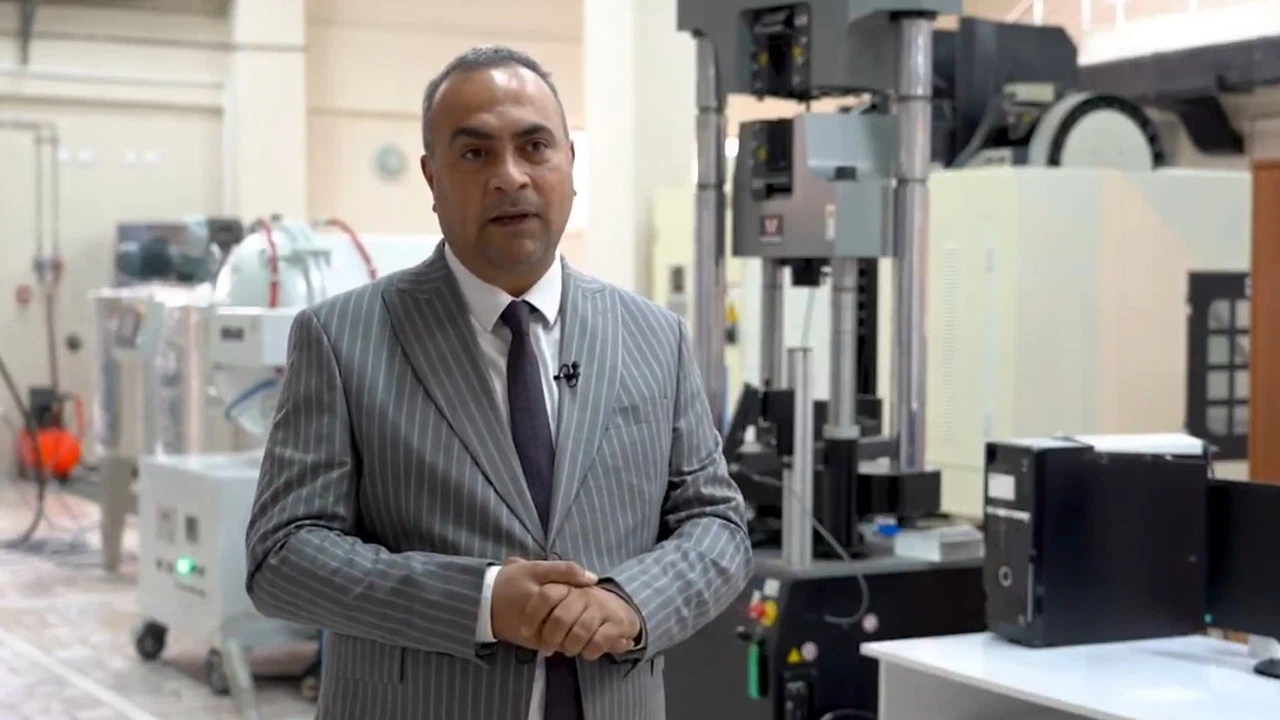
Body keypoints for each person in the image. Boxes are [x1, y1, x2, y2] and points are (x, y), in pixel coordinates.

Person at [243, 45, 753, 720]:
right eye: (475, 153)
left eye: (535, 147)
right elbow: (282, 556)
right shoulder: (343, 339)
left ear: (570, 162)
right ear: (432, 178)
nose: (510, 176)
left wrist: (632, 602)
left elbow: (716, 522)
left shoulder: (653, 336)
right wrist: (480, 602)